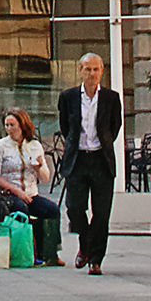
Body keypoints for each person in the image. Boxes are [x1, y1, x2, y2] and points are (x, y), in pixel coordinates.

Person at [54, 49, 129, 274]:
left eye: (96, 69)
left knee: (102, 212)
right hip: (77, 159)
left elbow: (114, 127)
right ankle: (85, 245)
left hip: (100, 159)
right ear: (80, 71)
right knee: (74, 208)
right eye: (88, 69)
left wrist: (102, 143)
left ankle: (95, 259)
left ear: (102, 71)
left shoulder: (111, 98)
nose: (92, 74)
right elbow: (66, 128)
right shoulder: (68, 97)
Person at [0, 111, 69, 263]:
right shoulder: (1, 146)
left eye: (12, 125)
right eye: (6, 125)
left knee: (51, 209)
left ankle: (51, 252)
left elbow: (45, 178)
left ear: (22, 126)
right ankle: (29, 251)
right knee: (21, 209)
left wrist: (39, 167)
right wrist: (16, 191)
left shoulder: (34, 145)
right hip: (9, 193)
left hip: (30, 193)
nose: (9, 129)